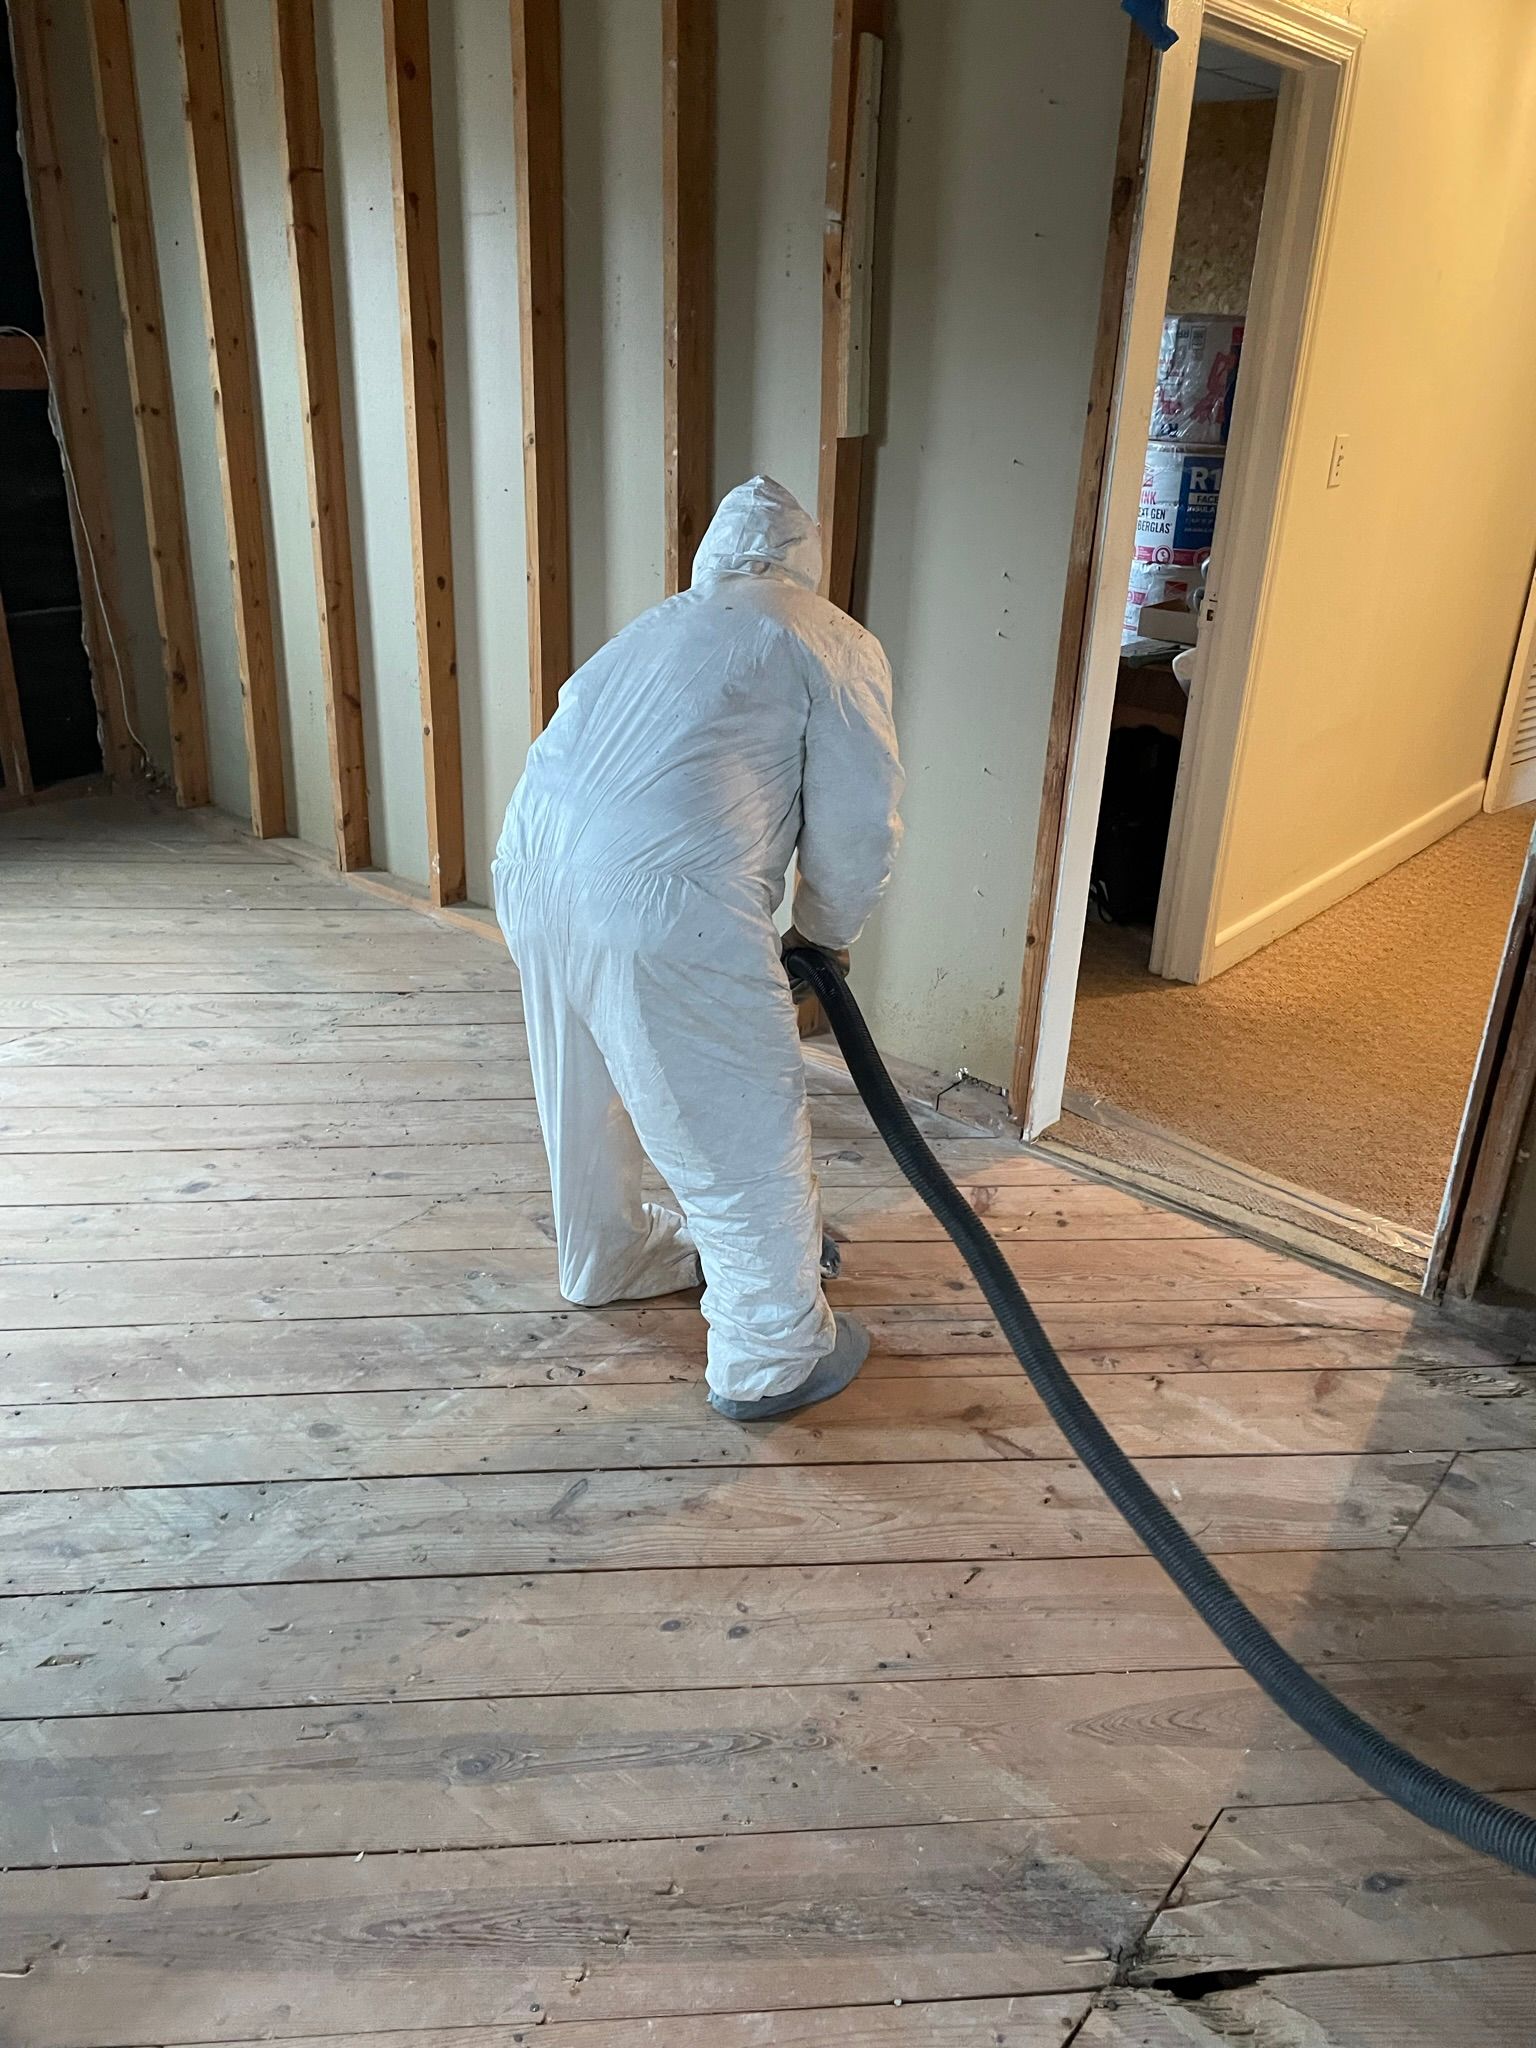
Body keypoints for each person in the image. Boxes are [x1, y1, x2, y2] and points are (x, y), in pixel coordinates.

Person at [493, 476, 904, 1421]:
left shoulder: (652, 627)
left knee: (587, 1088)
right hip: (661, 902)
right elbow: (857, 823)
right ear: (803, 555)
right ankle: (773, 1354)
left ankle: (607, 1252)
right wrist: (828, 937)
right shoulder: (825, 638)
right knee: (738, 1128)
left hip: (532, 872)